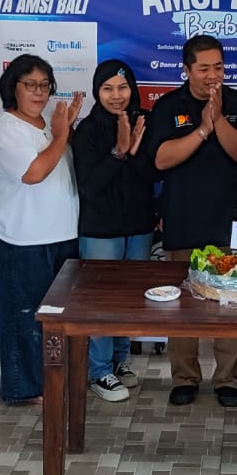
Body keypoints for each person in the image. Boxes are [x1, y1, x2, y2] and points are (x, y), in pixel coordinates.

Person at [145, 34, 237, 408]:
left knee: (231, 302)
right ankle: (185, 377)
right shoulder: (168, 106)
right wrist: (202, 130)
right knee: (182, 305)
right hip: (182, 218)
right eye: (204, 68)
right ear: (187, 69)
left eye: (219, 67)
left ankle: (228, 379)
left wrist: (219, 118)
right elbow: (161, 160)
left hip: (229, 221)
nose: (213, 75)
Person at [0, 54, 82, 405]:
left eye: (45, 85)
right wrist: (62, 133)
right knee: (24, 317)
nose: (40, 92)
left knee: (57, 318)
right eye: (31, 85)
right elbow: (33, 173)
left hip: (61, 234)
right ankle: (24, 388)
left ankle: (53, 380)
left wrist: (62, 130)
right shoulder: (7, 127)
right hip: (23, 238)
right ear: (13, 88)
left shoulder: (47, 124)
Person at [71, 59, 156, 403]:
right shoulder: (88, 130)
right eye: (107, 88)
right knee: (101, 301)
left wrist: (133, 153)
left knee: (129, 299)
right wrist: (118, 153)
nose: (116, 95)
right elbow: (89, 187)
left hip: (139, 226)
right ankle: (98, 370)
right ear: (97, 91)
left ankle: (120, 361)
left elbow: (155, 173)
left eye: (122, 87)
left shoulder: (144, 121)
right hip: (101, 229)